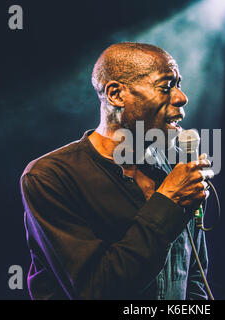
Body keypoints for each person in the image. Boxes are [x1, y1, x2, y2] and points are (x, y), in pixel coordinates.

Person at [20, 42, 212, 299]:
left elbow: (193, 279)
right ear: (116, 95)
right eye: (166, 87)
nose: (181, 97)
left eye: (178, 85)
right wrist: (167, 203)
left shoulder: (170, 171)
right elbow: (95, 291)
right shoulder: (50, 177)